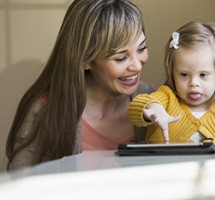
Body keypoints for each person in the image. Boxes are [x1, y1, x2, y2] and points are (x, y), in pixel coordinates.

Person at [6, 0, 155, 170]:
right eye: (121, 57)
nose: (137, 65)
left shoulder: (157, 99)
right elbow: (20, 186)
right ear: (85, 60)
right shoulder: (45, 110)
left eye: (142, 48)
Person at [128, 20, 215, 149]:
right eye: (184, 75)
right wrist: (153, 109)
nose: (193, 84)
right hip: (165, 169)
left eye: (203, 75)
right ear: (173, 73)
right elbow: (137, 107)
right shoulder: (167, 97)